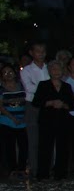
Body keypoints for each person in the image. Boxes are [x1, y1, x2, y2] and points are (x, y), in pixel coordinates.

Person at [30, 60, 73, 180]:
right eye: (53, 69)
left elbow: (72, 105)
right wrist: (50, 103)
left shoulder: (67, 86)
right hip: (47, 120)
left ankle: (61, 173)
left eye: (58, 69)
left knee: (63, 147)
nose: (56, 72)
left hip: (63, 120)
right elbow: (36, 102)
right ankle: (43, 173)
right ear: (49, 71)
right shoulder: (43, 85)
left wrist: (63, 105)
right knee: (45, 147)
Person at [20, 42, 48, 177]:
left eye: (43, 51)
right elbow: (29, 88)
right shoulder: (27, 70)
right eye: (38, 51)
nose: (41, 54)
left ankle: (47, 167)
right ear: (31, 53)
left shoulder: (49, 68)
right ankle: (34, 168)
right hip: (32, 105)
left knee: (47, 138)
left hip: (48, 106)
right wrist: (46, 90)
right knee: (33, 139)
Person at [0, 64, 28, 178]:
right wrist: (12, 118)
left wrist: (24, 116)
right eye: (5, 73)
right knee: (9, 146)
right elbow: (1, 106)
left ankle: (21, 168)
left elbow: (26, 101)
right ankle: (12, 168)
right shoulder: (1, 89)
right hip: (7, 120)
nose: (8, 74)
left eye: (10, 72)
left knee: (23, 145)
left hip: (22, 120)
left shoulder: (21, 86)